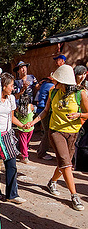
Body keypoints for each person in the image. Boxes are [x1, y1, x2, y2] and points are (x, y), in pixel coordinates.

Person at [27, 64, 88, 211]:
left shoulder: (81, 94)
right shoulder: (53, 92)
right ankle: (74, 196)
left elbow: (87, 113)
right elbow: (46, 111)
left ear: (64, 83)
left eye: (56, 81)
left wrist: (79, 115)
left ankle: (52, 182)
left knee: (64, 165)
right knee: (66, 163)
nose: (54, 82)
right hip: (55, 131)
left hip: (73, 133)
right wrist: (33, 122)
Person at [0, 72, 26, 203]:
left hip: (7, 135)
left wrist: (22, 125)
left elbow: (12, 117)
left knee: (11, 164)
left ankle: (12, 194)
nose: (13, 88)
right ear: (3, 86)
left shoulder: (11, 99)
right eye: (11, 85)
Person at [36, 77, 55, 160]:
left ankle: (41, 149)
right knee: (47, 132)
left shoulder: (44, 85)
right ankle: (42, 152)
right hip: (44, 110)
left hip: (40, 108)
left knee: (45, 131)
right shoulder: (51, 86)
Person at [14, 92, 36, 163]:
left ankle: (24, 156)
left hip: (22, 128)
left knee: (23, 143)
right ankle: (24, 154)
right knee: (26, 142)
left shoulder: (18, 108)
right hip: (30, 128)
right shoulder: (31, 106)